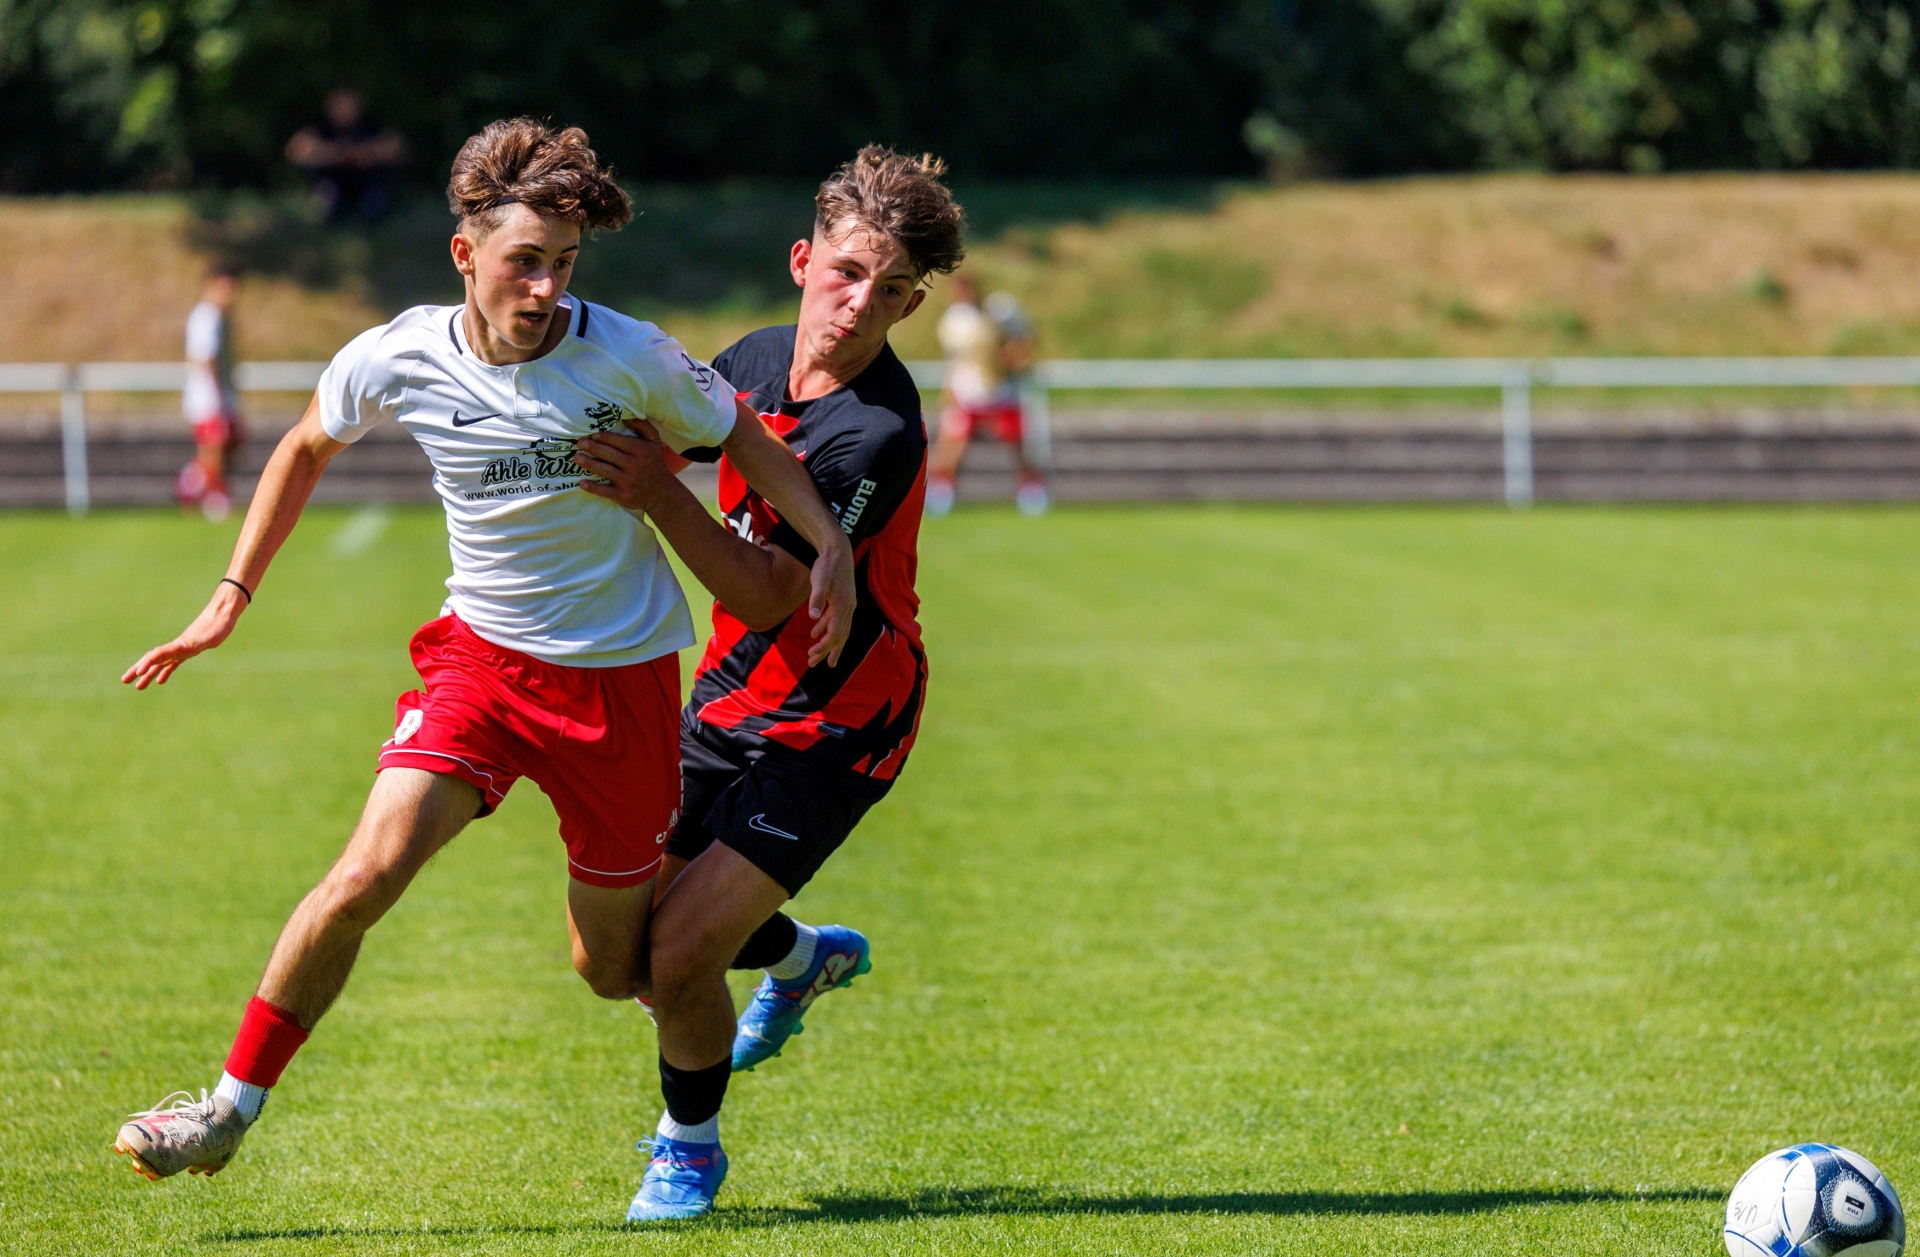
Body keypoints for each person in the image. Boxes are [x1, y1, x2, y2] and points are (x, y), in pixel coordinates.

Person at [110, 120, 856, 1201]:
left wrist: (828, 539)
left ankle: (792, 955)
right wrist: (231, 595)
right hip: (480, 668)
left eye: (565, 263)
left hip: (619, 686)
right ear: (465, 254)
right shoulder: (397, 355)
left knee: (615, 968)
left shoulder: (630, 355)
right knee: (362, 875)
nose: (547, 288)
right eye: (525, 261)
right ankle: (225, 1111)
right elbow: (306, 443)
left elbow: (742, 432)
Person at [568, 145, 964, 1221]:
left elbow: (768, 593)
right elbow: (657, 437)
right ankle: (800, 957)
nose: (859, 303)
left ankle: (688, 1152)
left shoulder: (877, 429)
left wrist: (657, 495)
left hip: (839, 721)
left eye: (890, 289)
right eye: (846, 271)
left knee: (681, 954)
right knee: (608, 959)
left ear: (914, 304)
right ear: (803, 261)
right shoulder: (747, 359)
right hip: (725, 698)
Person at [926, 275, 1047, 517]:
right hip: (967, 394)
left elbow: (1022, 344)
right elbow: (954, 361)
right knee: (952, 447)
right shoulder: (954, 320)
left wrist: (1012, 361)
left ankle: (1032, 491)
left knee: (1017, 448)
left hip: (1001, 393)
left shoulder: (1001, 311)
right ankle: (941, 493)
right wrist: (949, 388)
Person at [174, 268, 243, 522]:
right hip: (208, 397)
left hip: (218, 394)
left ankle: (192, 484)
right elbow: (205, 358)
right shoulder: (207, 316)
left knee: (230, 445)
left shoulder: (220, 317)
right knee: (214, 449)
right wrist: (218, 395)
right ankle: (211, 496)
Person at [285, 89, 407, 225]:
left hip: (366, 183)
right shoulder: (321, 127)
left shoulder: (370, 124)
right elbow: (295, 150)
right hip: (333, 185)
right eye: (339, 105)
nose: (344, 110)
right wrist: (339, 154)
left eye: (348, 105)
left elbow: (396, 149)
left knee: (374, 203)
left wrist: (363, 154)